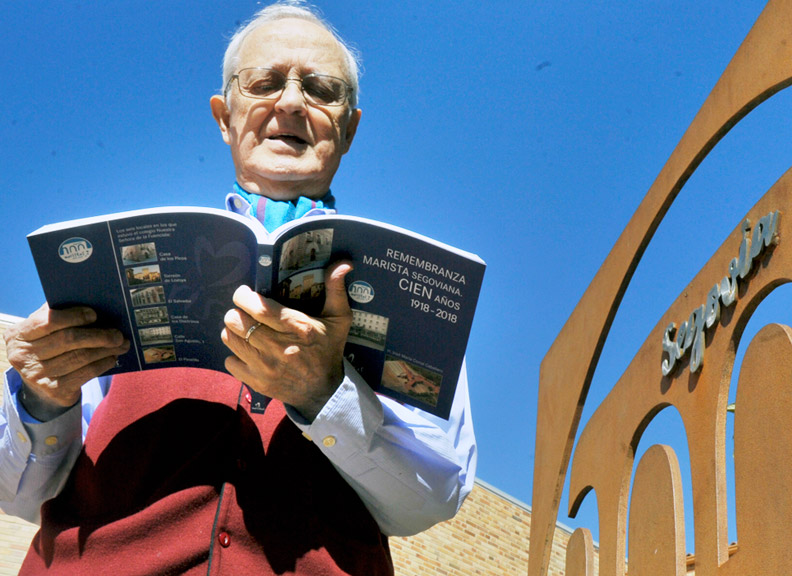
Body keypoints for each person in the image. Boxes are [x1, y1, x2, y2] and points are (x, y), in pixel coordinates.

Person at [0, 2, 476, 575]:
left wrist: (327, 397)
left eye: (321, 89)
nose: (292, 103)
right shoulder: (116, 270)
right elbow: (19, 496)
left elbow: (432, 499)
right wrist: (39, 399)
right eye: (266, 83)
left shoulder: (409, 288)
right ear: (224, 116)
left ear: (349, 128)